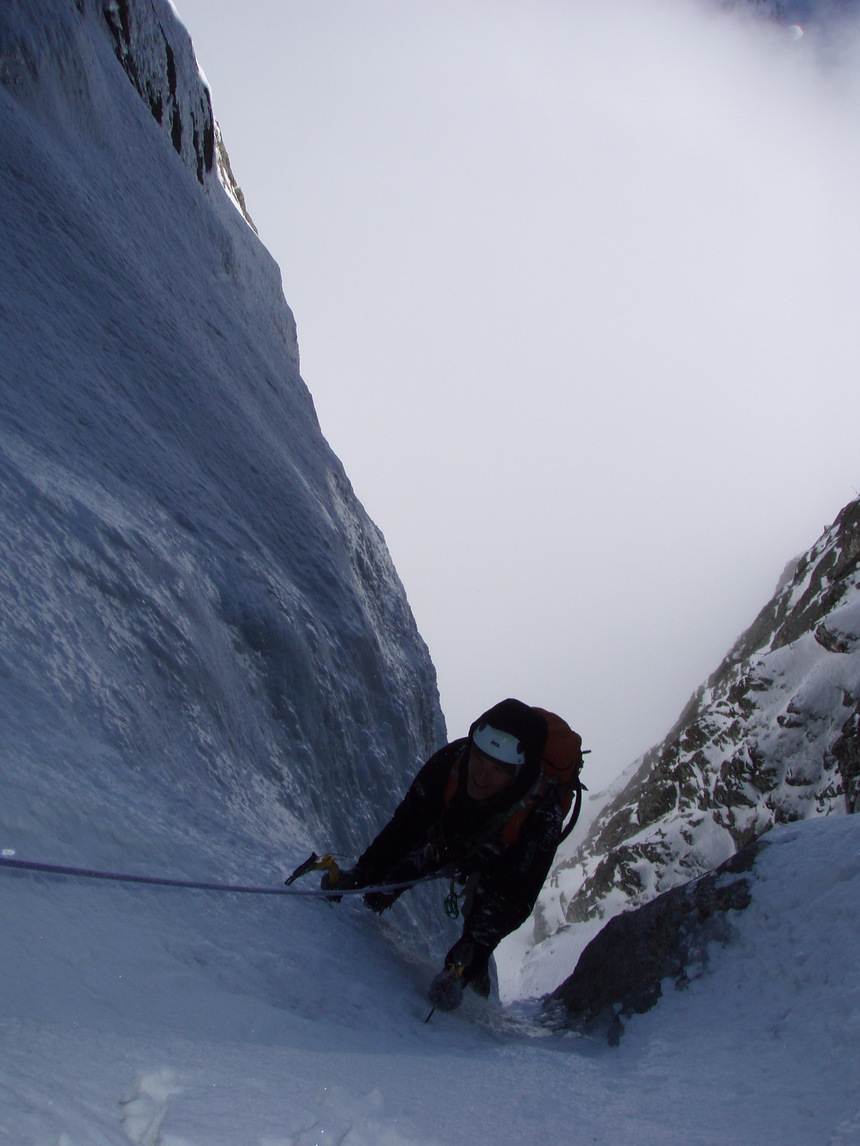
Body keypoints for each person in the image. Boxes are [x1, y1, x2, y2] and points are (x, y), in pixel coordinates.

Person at [329, 698, 580, 1012]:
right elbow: (406, 827)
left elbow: (514, 901)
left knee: (482, 915)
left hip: (503, 862)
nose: (481, 775)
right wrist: (362, 875)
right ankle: (374, 897)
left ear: (520, 774)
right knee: (401, 872)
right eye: (479, 759)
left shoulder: (542, 817)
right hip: (453, 837)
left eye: (497, 769)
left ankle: (472, 980)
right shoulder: (452, 763)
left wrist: (461, 964)